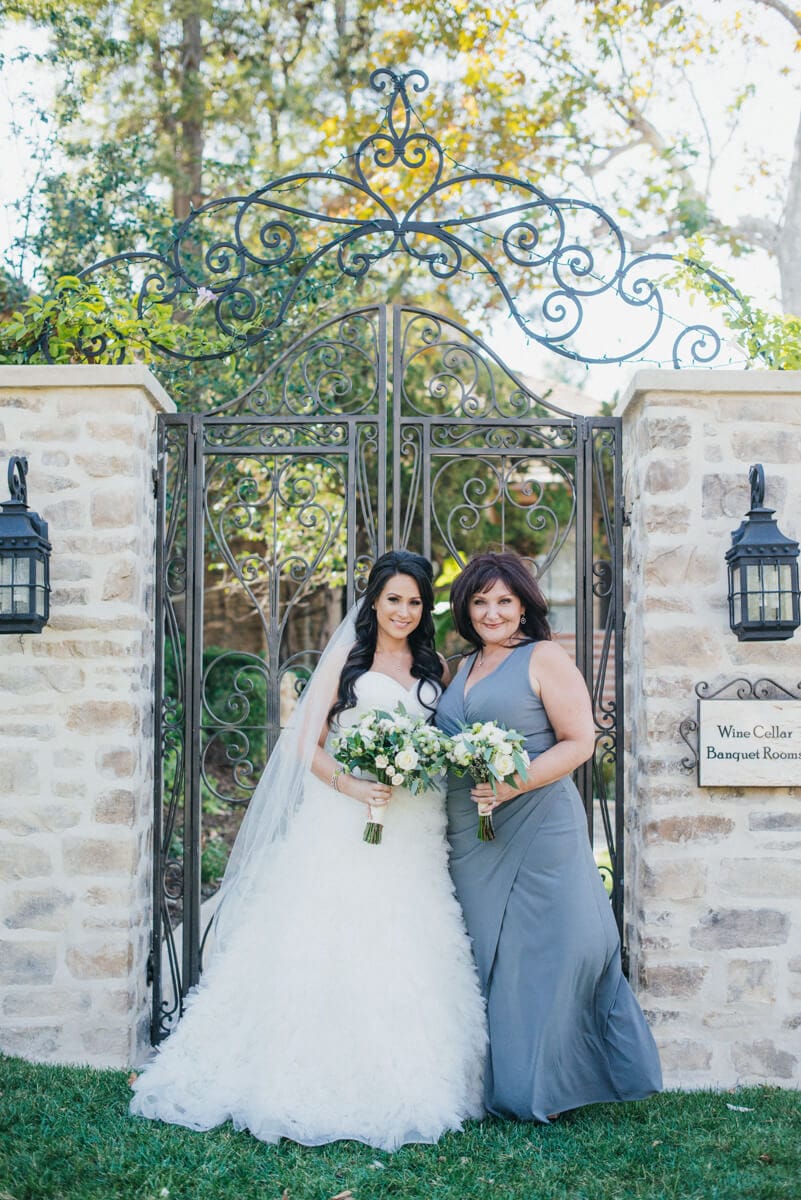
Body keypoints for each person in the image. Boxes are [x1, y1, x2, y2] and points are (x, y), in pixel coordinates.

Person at [131, 551, 486, 1150]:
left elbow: (439, 741)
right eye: (393, 599)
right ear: (374, 601)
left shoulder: (436, 669)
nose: (403, 611)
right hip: (345, 819)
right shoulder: (348, 663)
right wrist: (353, 785)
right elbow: (305, 742)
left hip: (414, 826)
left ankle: (414, 1072)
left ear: (426, 608)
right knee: (332, 934)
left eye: (415, 602)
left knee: (407, 934)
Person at [435, 551, 662, 1122]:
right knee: (487, 951)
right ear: (465, 608)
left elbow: (579, 741)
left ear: (523, 606)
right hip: (471, 830)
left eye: (503, 601)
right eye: (480, 601)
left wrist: (510, 784)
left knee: (547, 949)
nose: (491, 612)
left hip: (537, 821)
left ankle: (548, 1083)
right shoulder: (459, 667)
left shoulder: (545, 657)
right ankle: (488, 1078)